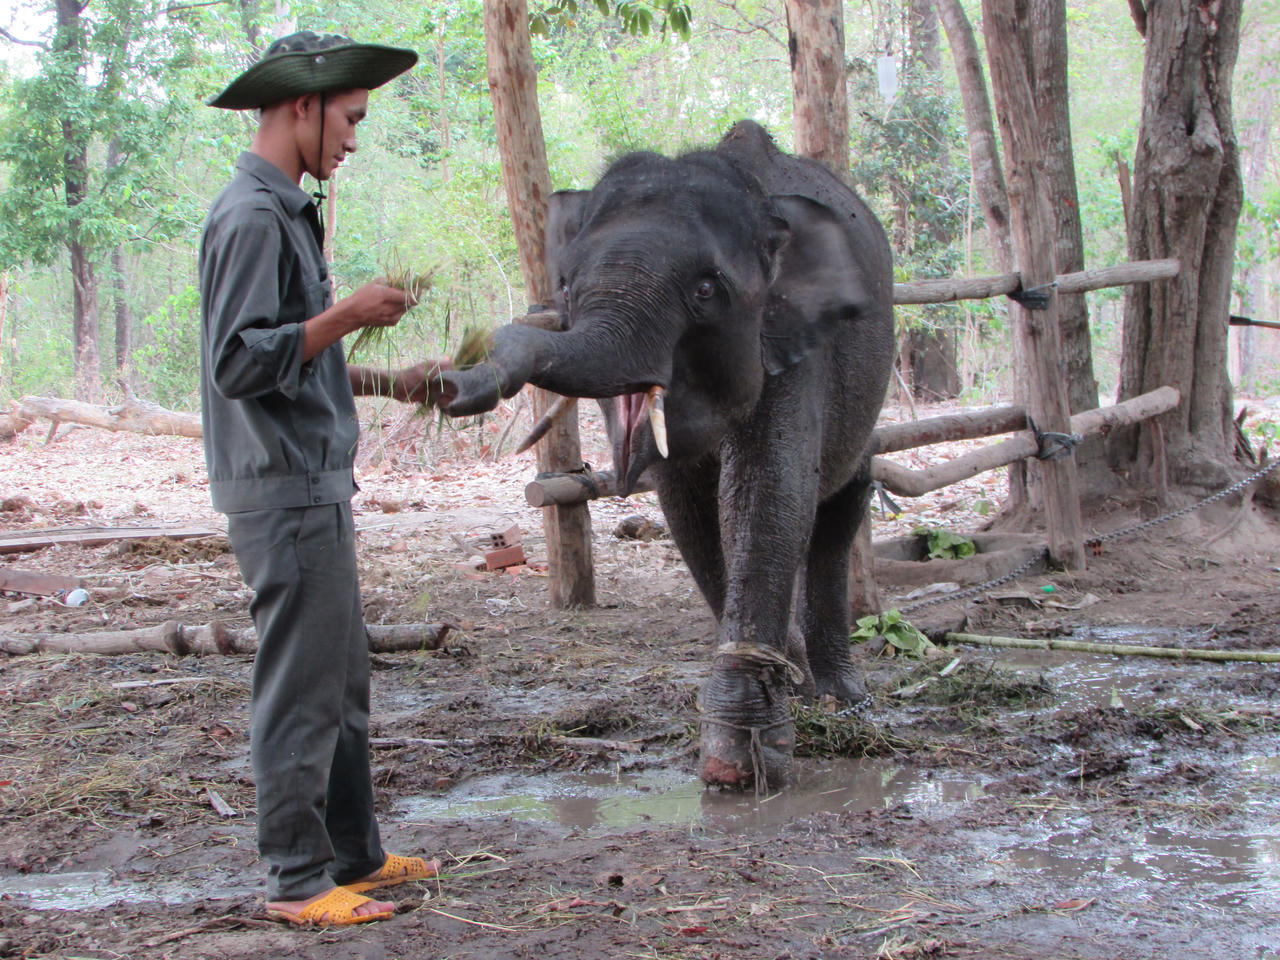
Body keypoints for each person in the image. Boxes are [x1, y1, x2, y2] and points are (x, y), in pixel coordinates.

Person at [200, 30, 446, 927]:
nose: (353, 138)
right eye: (349, 118)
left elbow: (289, 354)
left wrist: (372, 359)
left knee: (341, 685)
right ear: (302, 106)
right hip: (283, 487)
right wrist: (345, 314)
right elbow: (238, 362)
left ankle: (354, 854)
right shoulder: (251, 216)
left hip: (313, 480)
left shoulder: (285, 209)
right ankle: (298, 879)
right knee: (302, 689)